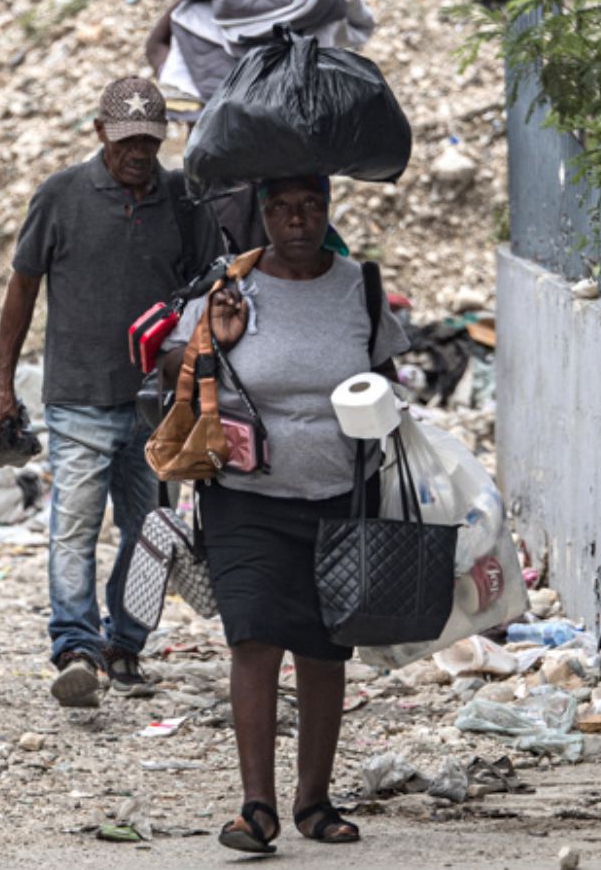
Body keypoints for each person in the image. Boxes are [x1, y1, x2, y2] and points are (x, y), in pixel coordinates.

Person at [159, 175, 411, 853]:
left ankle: (315, 802)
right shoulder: (231, 285)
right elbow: (176, 363)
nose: (296, 220)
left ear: (327, 212)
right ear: (263, 215)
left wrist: (385, 402)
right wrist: (221, 339)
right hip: (245, 498)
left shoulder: (359, 284)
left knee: (325, 649)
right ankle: (257, 808)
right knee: (254, 639)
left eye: (309, 207)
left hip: (341, 495)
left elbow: (389, 373)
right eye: (281, 208)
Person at [0, 76, 220, 708]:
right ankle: (76, 646)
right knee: (76, 527)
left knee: (149, 532)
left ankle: (126, 644)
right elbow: (22, 288)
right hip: (79, 396)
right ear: (99, 135)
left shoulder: (182, 199)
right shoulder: (61, 196)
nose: (139, 152)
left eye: (149, 139)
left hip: (154, 405)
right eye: (126, 141)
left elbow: (205, 289)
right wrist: (1, 385)